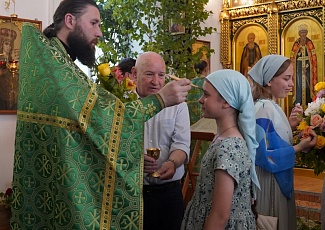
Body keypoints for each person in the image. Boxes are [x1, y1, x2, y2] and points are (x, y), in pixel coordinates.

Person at [11, 0, 191, 229]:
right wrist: (160, 100)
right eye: (94, 23)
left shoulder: (54, 61)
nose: (100, 32)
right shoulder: (56, 67)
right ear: (70, 20)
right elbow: (103, 119)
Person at [182, 69, 260, 230]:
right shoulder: (223, 138)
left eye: (206, 94)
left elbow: (220, 215)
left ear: (226, 101)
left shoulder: (228, 147)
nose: (200, 100)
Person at [248, 54, 318, 230]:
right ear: (269, 80)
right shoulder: (264, 108)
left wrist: (290, 124)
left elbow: (272, 139)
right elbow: (263, 155)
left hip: (275, 178)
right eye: (286, 78)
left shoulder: (270, 105)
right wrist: (298, 147)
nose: (291, 84)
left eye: (292, 78)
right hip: (269, 181)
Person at [132, 51, 190, 230]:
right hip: (132, 191)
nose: (156, 81)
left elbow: (181, 144)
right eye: (149, 74)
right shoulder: (122, 104)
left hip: (168, 193)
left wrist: (173, 163)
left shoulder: (179, 105)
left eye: (161, 75)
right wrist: (133, 160)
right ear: (135, 74)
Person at [290, 23, 317, 108]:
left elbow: (313, 58)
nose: (303, 34)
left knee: (308, 87)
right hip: (298, 69)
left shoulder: (310, 43)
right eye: (301, 32)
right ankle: (298, 104)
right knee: (299, 85)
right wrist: (298, 64)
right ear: (299, 33)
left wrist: (308, 65)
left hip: (308, 70)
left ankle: (309, 106)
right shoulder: (296, 44)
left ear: (306, 33)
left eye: (304, 32)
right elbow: (292, 57)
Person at [187, 60, 208, 125]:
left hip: (189, 117)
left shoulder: (189, 83)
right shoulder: (207, 83)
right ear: (206, 69)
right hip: (204, 116)